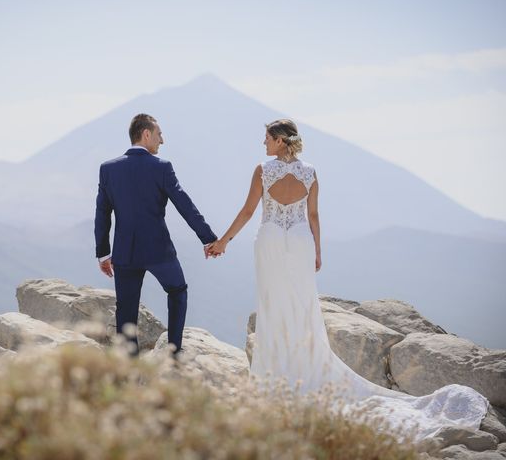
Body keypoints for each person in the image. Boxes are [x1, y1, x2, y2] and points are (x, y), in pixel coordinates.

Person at [207, 118, 489, 440]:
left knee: (272, 306)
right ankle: (303, 368)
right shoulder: (310, 172)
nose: (264, 144)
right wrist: (317, 251)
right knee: (302, 307)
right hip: (300, 241)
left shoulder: (263, 170)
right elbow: (313, 215)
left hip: (271, 240)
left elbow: (247, 211)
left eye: (267, 138)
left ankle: (274, 375)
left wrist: (223, 242)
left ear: (281, 141)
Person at [94, 113, 217, 357]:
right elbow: (184, 204)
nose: (162, 140)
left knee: (126, 309)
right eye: (159, 134)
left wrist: (103, 253)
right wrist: (208, 238)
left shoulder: (108, 169)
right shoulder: (161, 167)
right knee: (177, 290)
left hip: (125, 252)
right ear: (146, 134)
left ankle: (129, 365)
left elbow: (102, 213)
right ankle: (173, 350)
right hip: (158, 250)